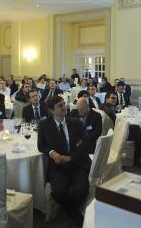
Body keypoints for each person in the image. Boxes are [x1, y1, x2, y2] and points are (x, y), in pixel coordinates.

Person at [37, 96, 91, 226]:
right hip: (58, 166)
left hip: (77, 163)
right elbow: (41, 145)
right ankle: (74, 212)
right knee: (58, 192)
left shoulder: (75, 122)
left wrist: (72, 157)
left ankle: (71, 212)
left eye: (64, 104)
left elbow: (87, 143)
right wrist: (52, 153)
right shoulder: (44, 124)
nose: (64, 108)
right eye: (60, 106)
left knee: (81, 191)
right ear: (51, 110)